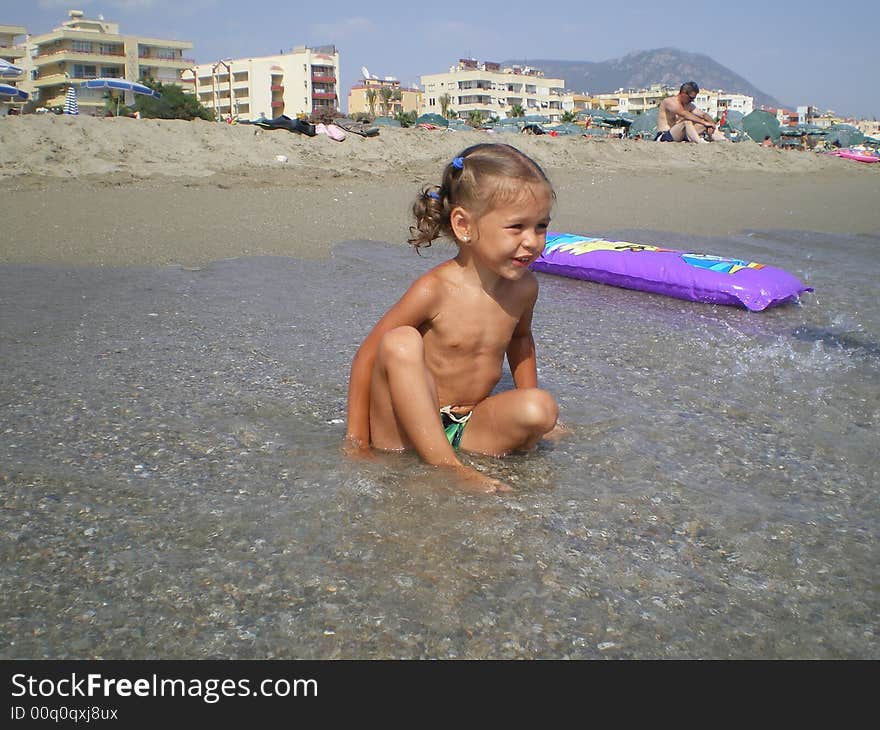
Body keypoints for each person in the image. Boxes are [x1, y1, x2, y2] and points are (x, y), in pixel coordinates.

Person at [344, 144, 560, 494]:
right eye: (517, 226)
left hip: (466, 424)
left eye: (541, 226)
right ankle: (448, 468)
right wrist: (356, 441)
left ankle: (455, 456)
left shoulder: (523, 289)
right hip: (403, 428)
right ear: (463, 225)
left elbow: (520, 341)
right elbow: (367, 356)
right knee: (400, 341)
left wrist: (535, 411)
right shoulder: (435, 289)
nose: (532, 241)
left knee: (541, 409)